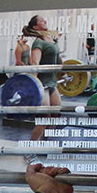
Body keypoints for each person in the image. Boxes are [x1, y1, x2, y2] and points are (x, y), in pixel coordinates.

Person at [24, 15, 62, 147]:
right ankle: (30, 149)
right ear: (35, 26)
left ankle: (46, 143)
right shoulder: (38, 42)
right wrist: (33, 86)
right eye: (41, 20)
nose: (45, 21)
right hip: (42, 84)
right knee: (44, 119)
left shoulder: (51, 39)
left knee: (56, 115)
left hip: (52, 83)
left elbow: (58, 59)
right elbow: (35, 63)